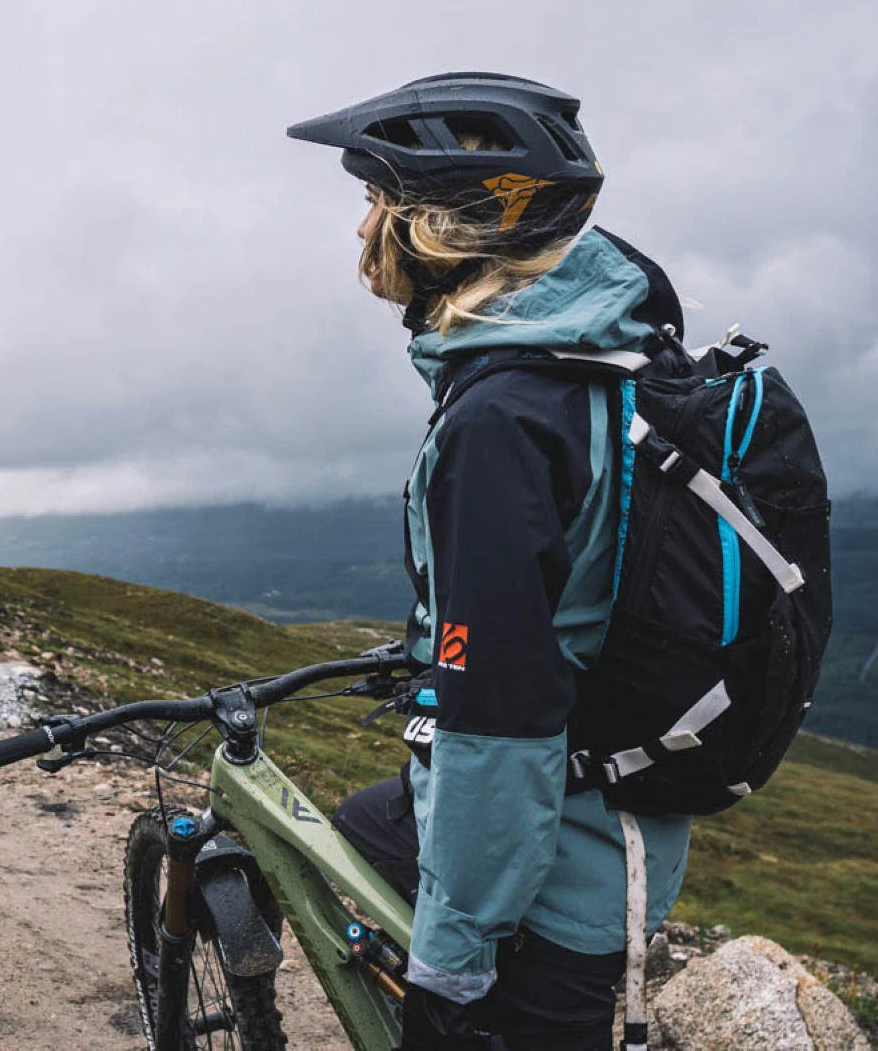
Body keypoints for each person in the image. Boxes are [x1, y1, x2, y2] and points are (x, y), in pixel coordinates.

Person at [287, 73, 692, 1051]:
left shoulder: (500, 422)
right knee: (349, 828)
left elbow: (501, 722)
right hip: (618, 816)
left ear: (443, 226)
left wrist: (455, 962)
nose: (361, 228)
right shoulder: (609, 357)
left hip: (558, 876)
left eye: (375, 199)